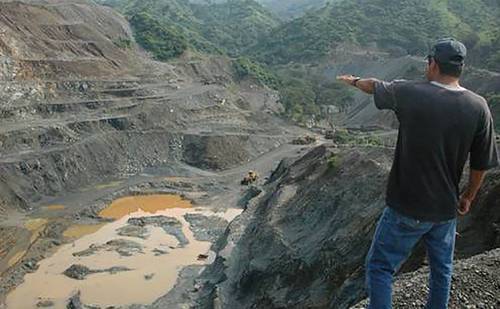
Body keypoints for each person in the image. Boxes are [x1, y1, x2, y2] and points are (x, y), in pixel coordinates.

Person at [337, 38, 499, 308]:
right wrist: (468, 196)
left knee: (380, 267)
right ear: (460, 68)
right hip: (445, 211)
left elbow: (374, 85)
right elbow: (481, 163)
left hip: (405, 207)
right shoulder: (479, 106)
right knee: (441, 271)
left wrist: (353, 81)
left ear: (433, 63)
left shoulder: (409, 92)